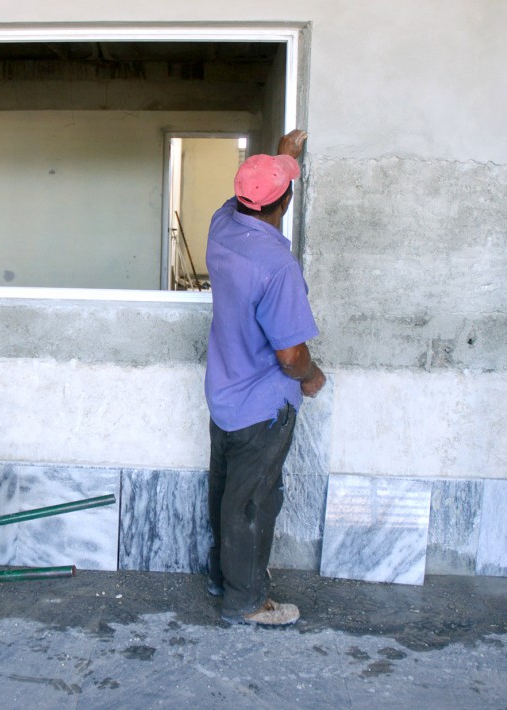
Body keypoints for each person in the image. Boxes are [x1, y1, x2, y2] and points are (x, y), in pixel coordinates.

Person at [204, 129, 326, 626]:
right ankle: (247, 601)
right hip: (262, 405)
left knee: (225, 492)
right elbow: (291, 354)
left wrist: (279, 159)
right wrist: (311, 376)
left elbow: (247, 197)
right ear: (286, 202)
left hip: (223, 392)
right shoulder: (277, 266)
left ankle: (222, 576)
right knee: (253, 501)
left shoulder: (221, 227)